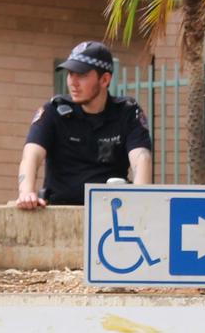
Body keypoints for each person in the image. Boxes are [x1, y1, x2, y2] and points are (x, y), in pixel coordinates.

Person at [14, 41, 153, 208]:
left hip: (110, 214)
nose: (73, 82)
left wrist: (139, 202)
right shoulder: (53, 111)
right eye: (70, 74)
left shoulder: (127, 113)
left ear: (105, 79)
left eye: (82, 75)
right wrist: (26, 192)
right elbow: (31, 155)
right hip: (59, 211)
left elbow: (142, 158)